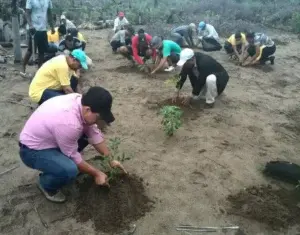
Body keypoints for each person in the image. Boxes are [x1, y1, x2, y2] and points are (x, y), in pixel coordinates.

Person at [19, 86, 126, 203]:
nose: (99, 121)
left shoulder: (80, 101)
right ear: (88, 110)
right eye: (99, 117)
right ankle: (46, 185)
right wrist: (97, 174)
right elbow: (73, 155)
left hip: (52, 138)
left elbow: (93, 133)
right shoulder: (69, 123)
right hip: (32, 151)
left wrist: (110, 159)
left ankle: (60, 162)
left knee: (85, 135)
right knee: (69, 169)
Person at [21, 0, 55, 77]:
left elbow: (49, 13)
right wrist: (30, 25)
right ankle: (23, 66)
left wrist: (52, 26)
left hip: (43, 29)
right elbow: (27, 13)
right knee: (30, 50)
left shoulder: (48, 1)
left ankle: (39, 70)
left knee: (42, 51)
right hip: (34, 29)